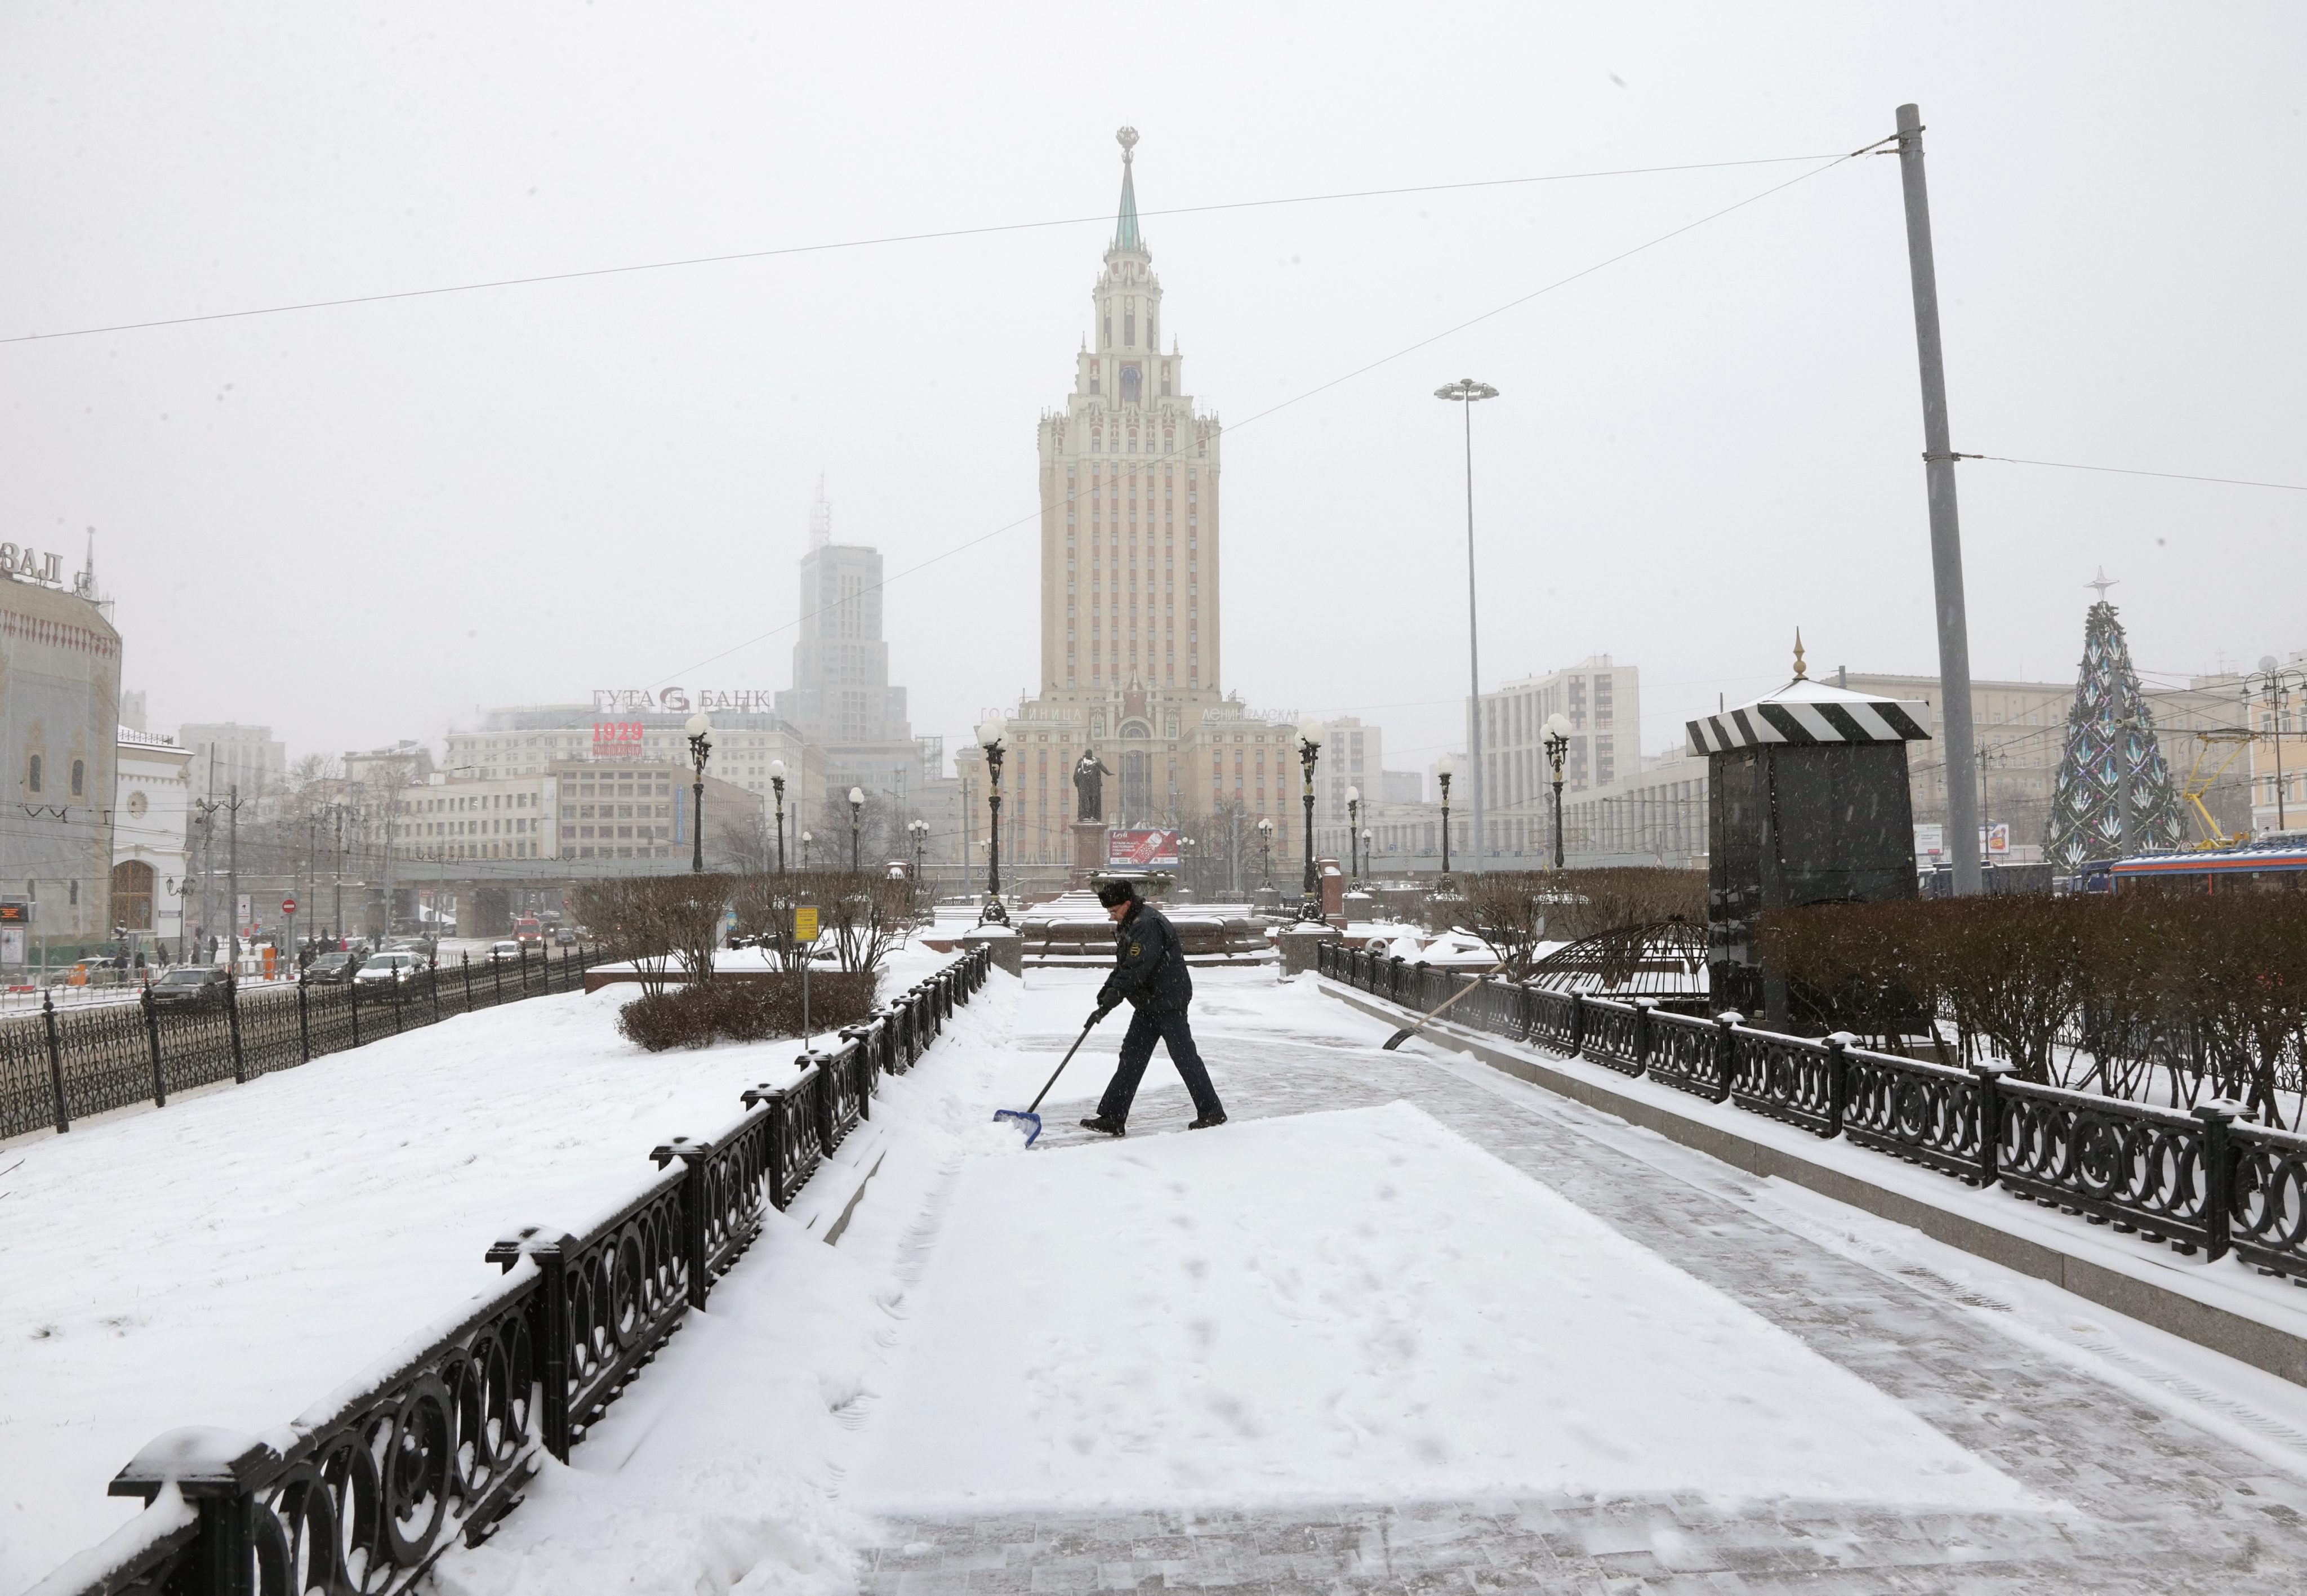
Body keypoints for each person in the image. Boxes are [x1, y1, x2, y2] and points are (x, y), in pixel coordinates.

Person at [1080, 879, 1227, 1136]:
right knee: (1132, 1058)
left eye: (1114, 911)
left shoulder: (1146, 925)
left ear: (1127, 904)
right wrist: (1105, 994)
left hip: (1168, 1002)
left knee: (1184, 1057)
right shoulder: (1132, 923)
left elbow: (1135, 970)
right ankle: (1113, 1117)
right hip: (1150, 1003)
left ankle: (1212, 1112)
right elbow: (1124, 966)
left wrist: (1107, 1006)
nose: (1112, 917)